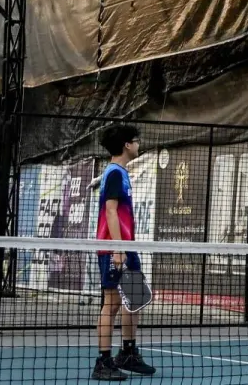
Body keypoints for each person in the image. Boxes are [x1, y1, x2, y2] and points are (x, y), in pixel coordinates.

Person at [93, 124, 156, 381]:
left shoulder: (118, 173)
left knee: (135, 299)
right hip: (114, 248)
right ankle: (103, 361)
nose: (139, 144)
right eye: (136, 141)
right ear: (127, 145)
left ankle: (128, 352)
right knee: (112, 304)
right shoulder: (115, 173)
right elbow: (110, 211)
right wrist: (118, 249)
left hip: (127, 246)